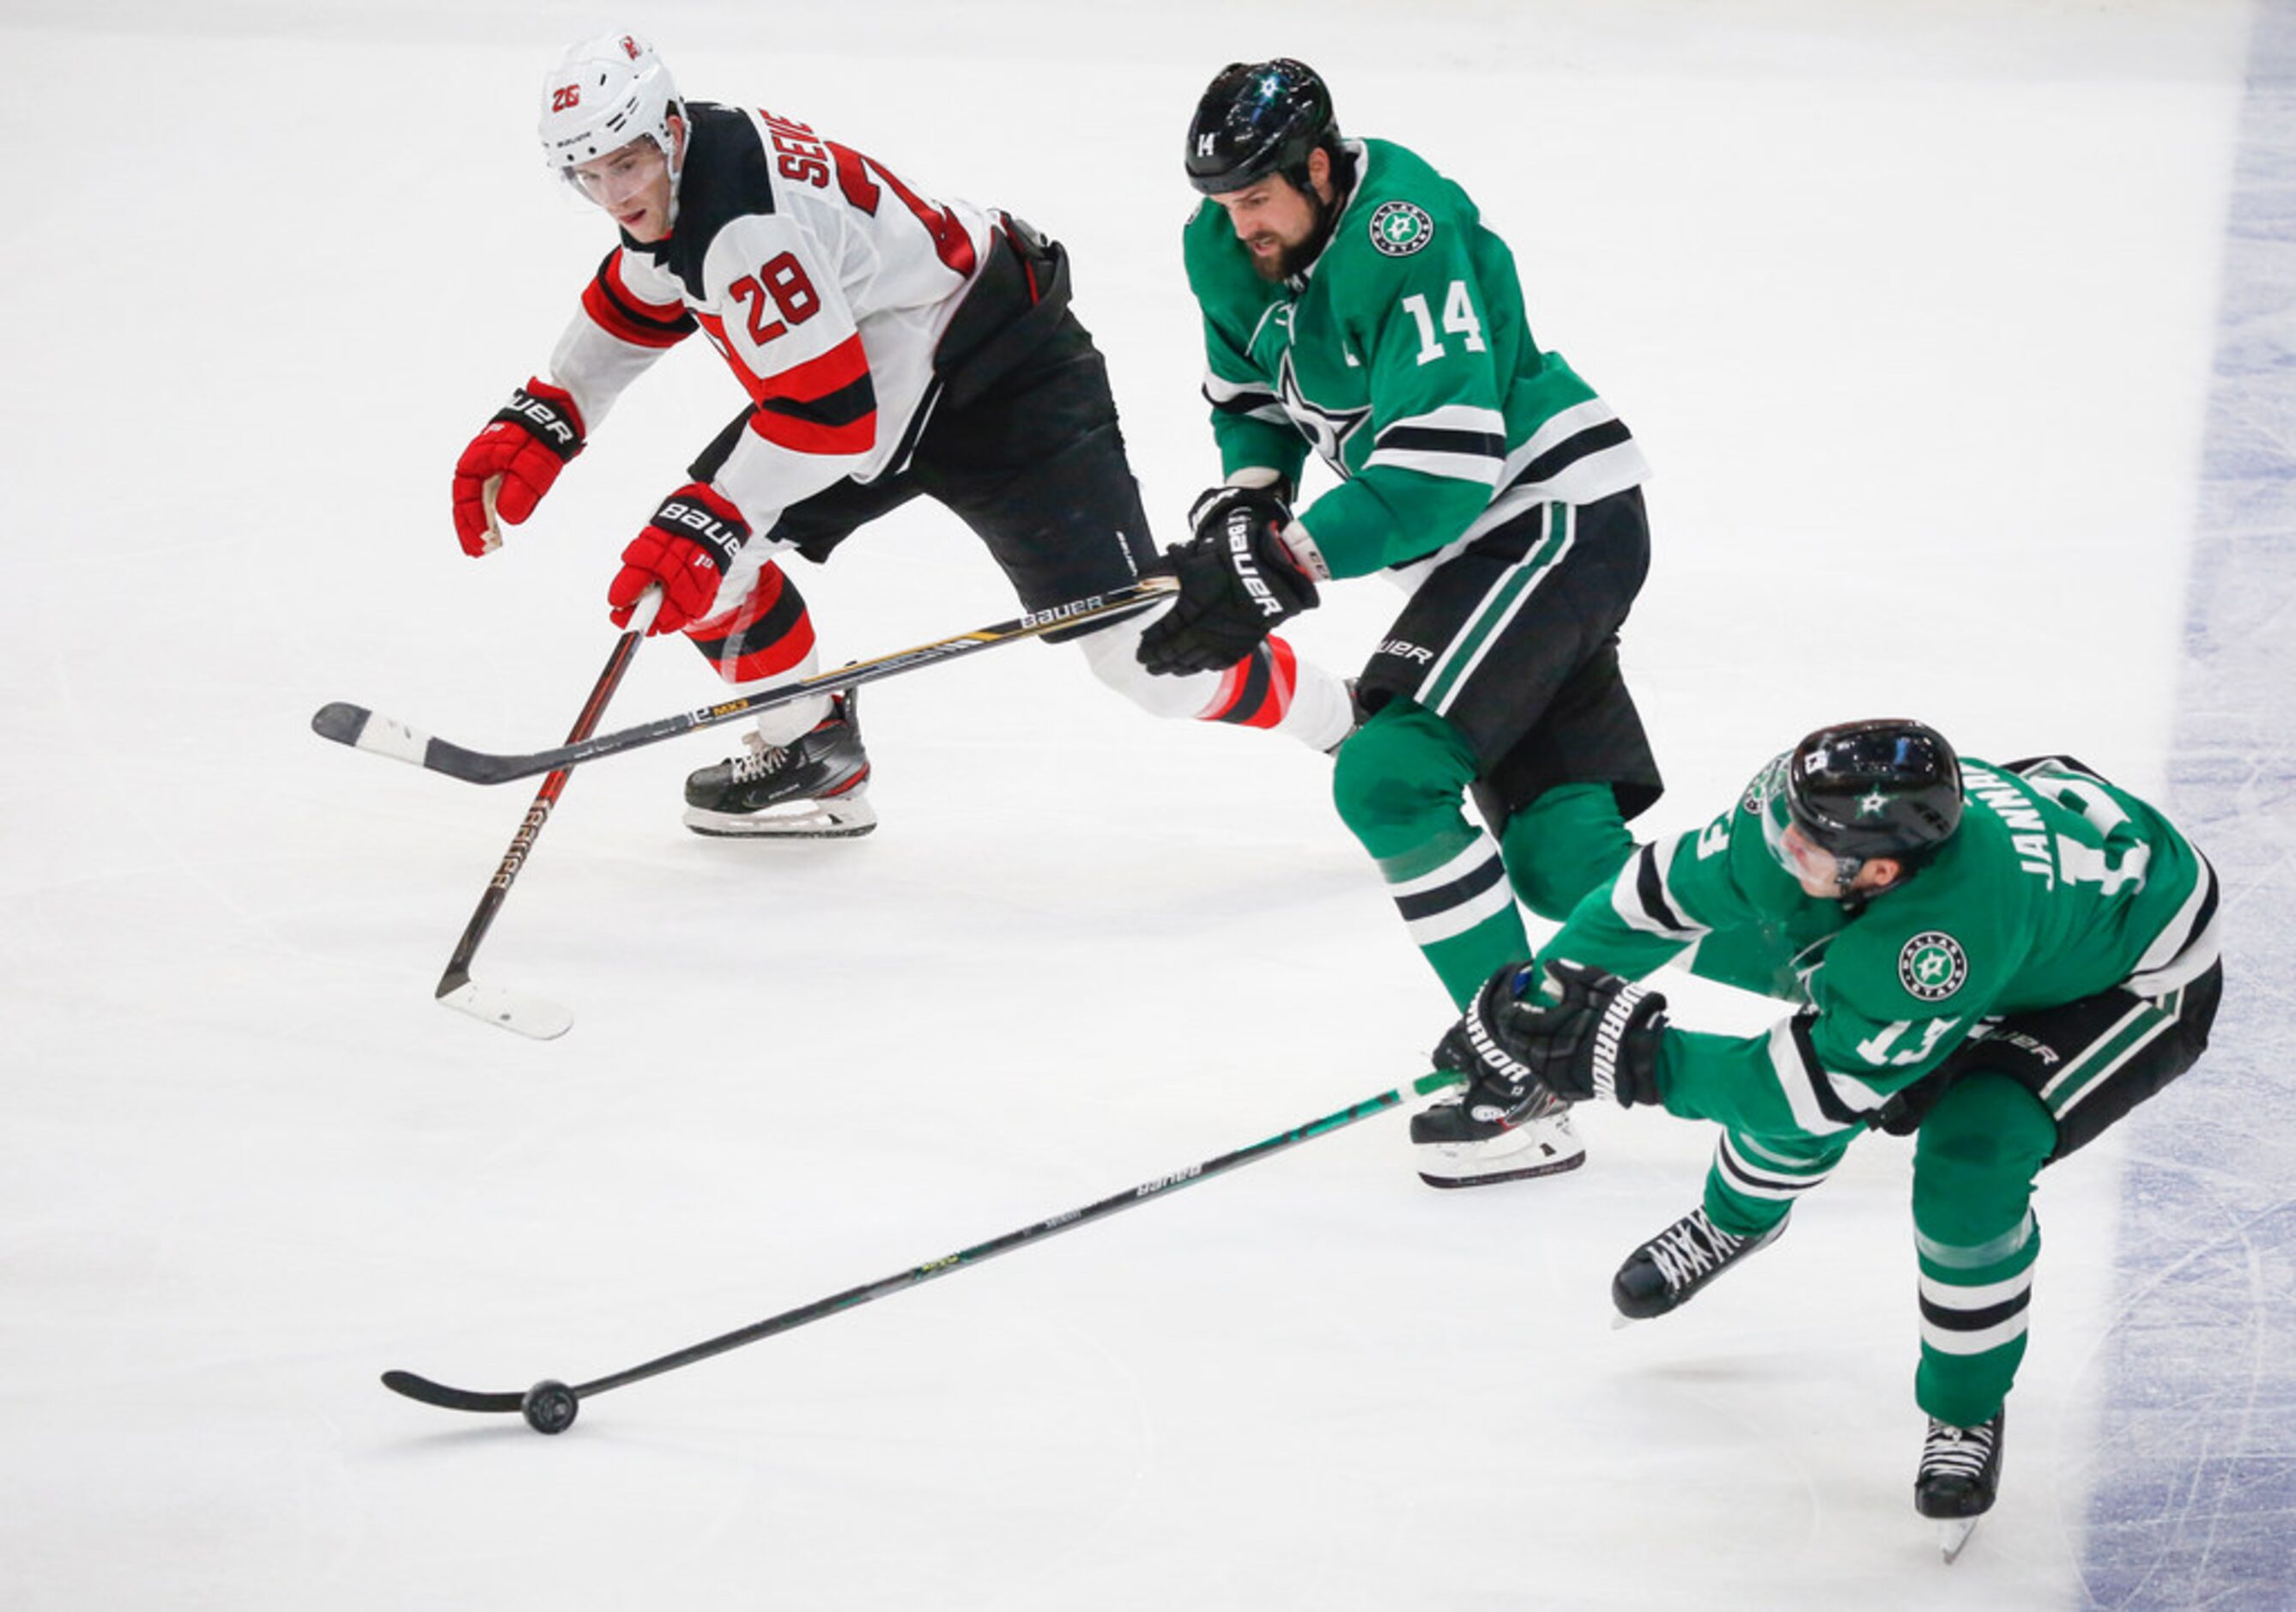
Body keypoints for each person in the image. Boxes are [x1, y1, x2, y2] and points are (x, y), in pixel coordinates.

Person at [454, 33, 1357, 839]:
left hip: (1005, 379)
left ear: (670, 131)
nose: (616, 193)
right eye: (592, 174)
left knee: (1146, 659)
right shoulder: (687, 172)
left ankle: (1352, 724)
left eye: (629, 163)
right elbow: (644, 290)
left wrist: (715, 509)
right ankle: (812, 746)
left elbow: (826, 417)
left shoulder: (742, 220)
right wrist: (547, 414)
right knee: (707, 560)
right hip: (879, 376)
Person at [1433, 718, 2221, 1552]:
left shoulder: (1938, 936)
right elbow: (1652, 900)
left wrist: (1633, 1064)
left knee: (1967, 1163)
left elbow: (1811, 1094)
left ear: (1878, 869)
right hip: (2028, 919)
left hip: (2124, 982)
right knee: (1815, 1038)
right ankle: (1736, 1219)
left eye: (1800, 850)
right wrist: (1538, 1001)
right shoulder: (1796, 810)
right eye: (1782, 829)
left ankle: (1963, 1408)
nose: (1776, 848)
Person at [1145, 59, 1663, 1187]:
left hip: (1543, 520)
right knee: (1568, 865)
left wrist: (1285, 562)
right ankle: (1857, 978)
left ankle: (1519, 1077)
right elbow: (1250, 403)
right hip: (1489, 552)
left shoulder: (1402, 230)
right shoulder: (1220, 243)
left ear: (1318, 167)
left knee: (1385, 776)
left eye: (1255, 201)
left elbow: (1441, 475)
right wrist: (1246, 507)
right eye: (1220, 205)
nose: (1237, 231)